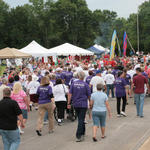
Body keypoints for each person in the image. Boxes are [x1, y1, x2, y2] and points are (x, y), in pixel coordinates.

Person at [68, 71, 91, 142]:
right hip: (83, 104)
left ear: (78, 76)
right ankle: (79, 135)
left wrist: (68, 103)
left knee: (81, 118)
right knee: (81, 119)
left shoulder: (73, 84)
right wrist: (90, 103)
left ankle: (83, 132)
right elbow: (89, 95)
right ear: (84, 76)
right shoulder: (86, 84)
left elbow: (70, 94)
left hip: (76, 103)